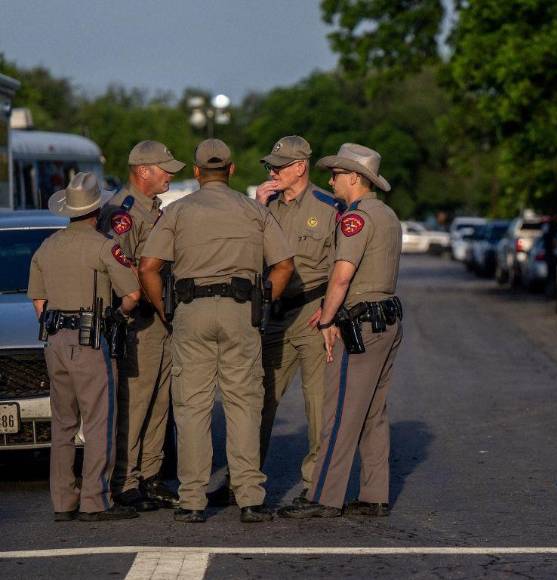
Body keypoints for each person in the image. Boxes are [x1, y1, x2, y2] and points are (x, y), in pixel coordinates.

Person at [138, 139, 294, 523]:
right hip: (242, 311)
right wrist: (264, 301)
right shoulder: (252, 210)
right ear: (232, 170)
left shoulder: (178, 211)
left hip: (191, 312)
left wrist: (166, 311)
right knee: (244, 404)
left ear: (195, 172)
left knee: (192, 407)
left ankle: (191, 499)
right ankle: (250, 498)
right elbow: (285, 264)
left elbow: (147, 267)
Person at [278, 143, 403, 519]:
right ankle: (374, 494)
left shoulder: (356, 217)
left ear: (355, 178)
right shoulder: (388, 214)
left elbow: (342, 275)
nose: (330, 179)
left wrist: (328, 318)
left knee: (340, 413)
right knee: (372, 412)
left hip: (361, 322)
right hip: (387, 319)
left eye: (336, 174)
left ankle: (322, 496)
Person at [28, 172, 142, 521]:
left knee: (62, 422)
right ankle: (95, 500)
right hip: (89, 338)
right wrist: (115, 318)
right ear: (97, 210)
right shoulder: (104, 246)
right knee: (97, 421)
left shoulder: (47, 246)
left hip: (54, 340)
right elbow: (133, 295)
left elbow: (39, 302)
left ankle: (63, 501)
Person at [253, 135, 344, 504]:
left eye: (280, 166)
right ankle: (245, 482)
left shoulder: (329, 207)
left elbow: (346, 264)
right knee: (257, 399)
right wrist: (257, 207)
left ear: (300, 167)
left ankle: (315, 485)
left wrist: (333, 312)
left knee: (317, 404)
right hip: (274, 315)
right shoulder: (266, 206)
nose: (273, 172)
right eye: (271, 166)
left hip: (312, 312)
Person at [99, 140, 185, 511]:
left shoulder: (153, 210)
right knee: (134, 403)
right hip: (140, 320)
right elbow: (122, 268)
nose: (170, 174)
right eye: (164, 168)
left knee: (160, 401)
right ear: (143, 170)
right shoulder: (123, 212)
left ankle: (151, 475)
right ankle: (126, 479)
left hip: (162, 316)